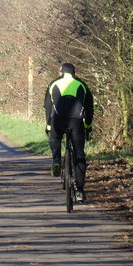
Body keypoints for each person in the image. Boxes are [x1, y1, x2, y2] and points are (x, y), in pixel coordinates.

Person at [44, 62, 93, 202]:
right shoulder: (81, 84)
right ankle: (79, 191)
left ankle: (56, 160)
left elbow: (48, 106)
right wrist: (88, 125)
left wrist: (48, 125)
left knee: (55, 137)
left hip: (57, 119)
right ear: (74, 73)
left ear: (60, 73)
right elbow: (89, 107)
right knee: (79, 154)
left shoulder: (53, 84)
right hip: (76, 121)